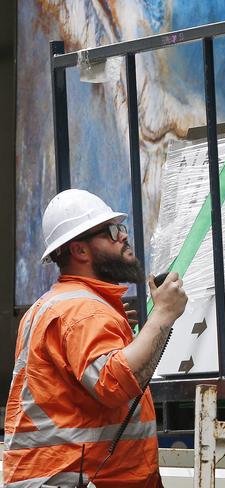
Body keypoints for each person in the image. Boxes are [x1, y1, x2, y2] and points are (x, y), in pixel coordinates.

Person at [3, 189, 188, 487]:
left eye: (121, 228)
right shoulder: (83, 311)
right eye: (111, 232)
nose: (123, 237)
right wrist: (162, 315)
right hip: (76, 477)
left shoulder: (59, 305)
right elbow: (114, 383)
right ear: (80, 251)